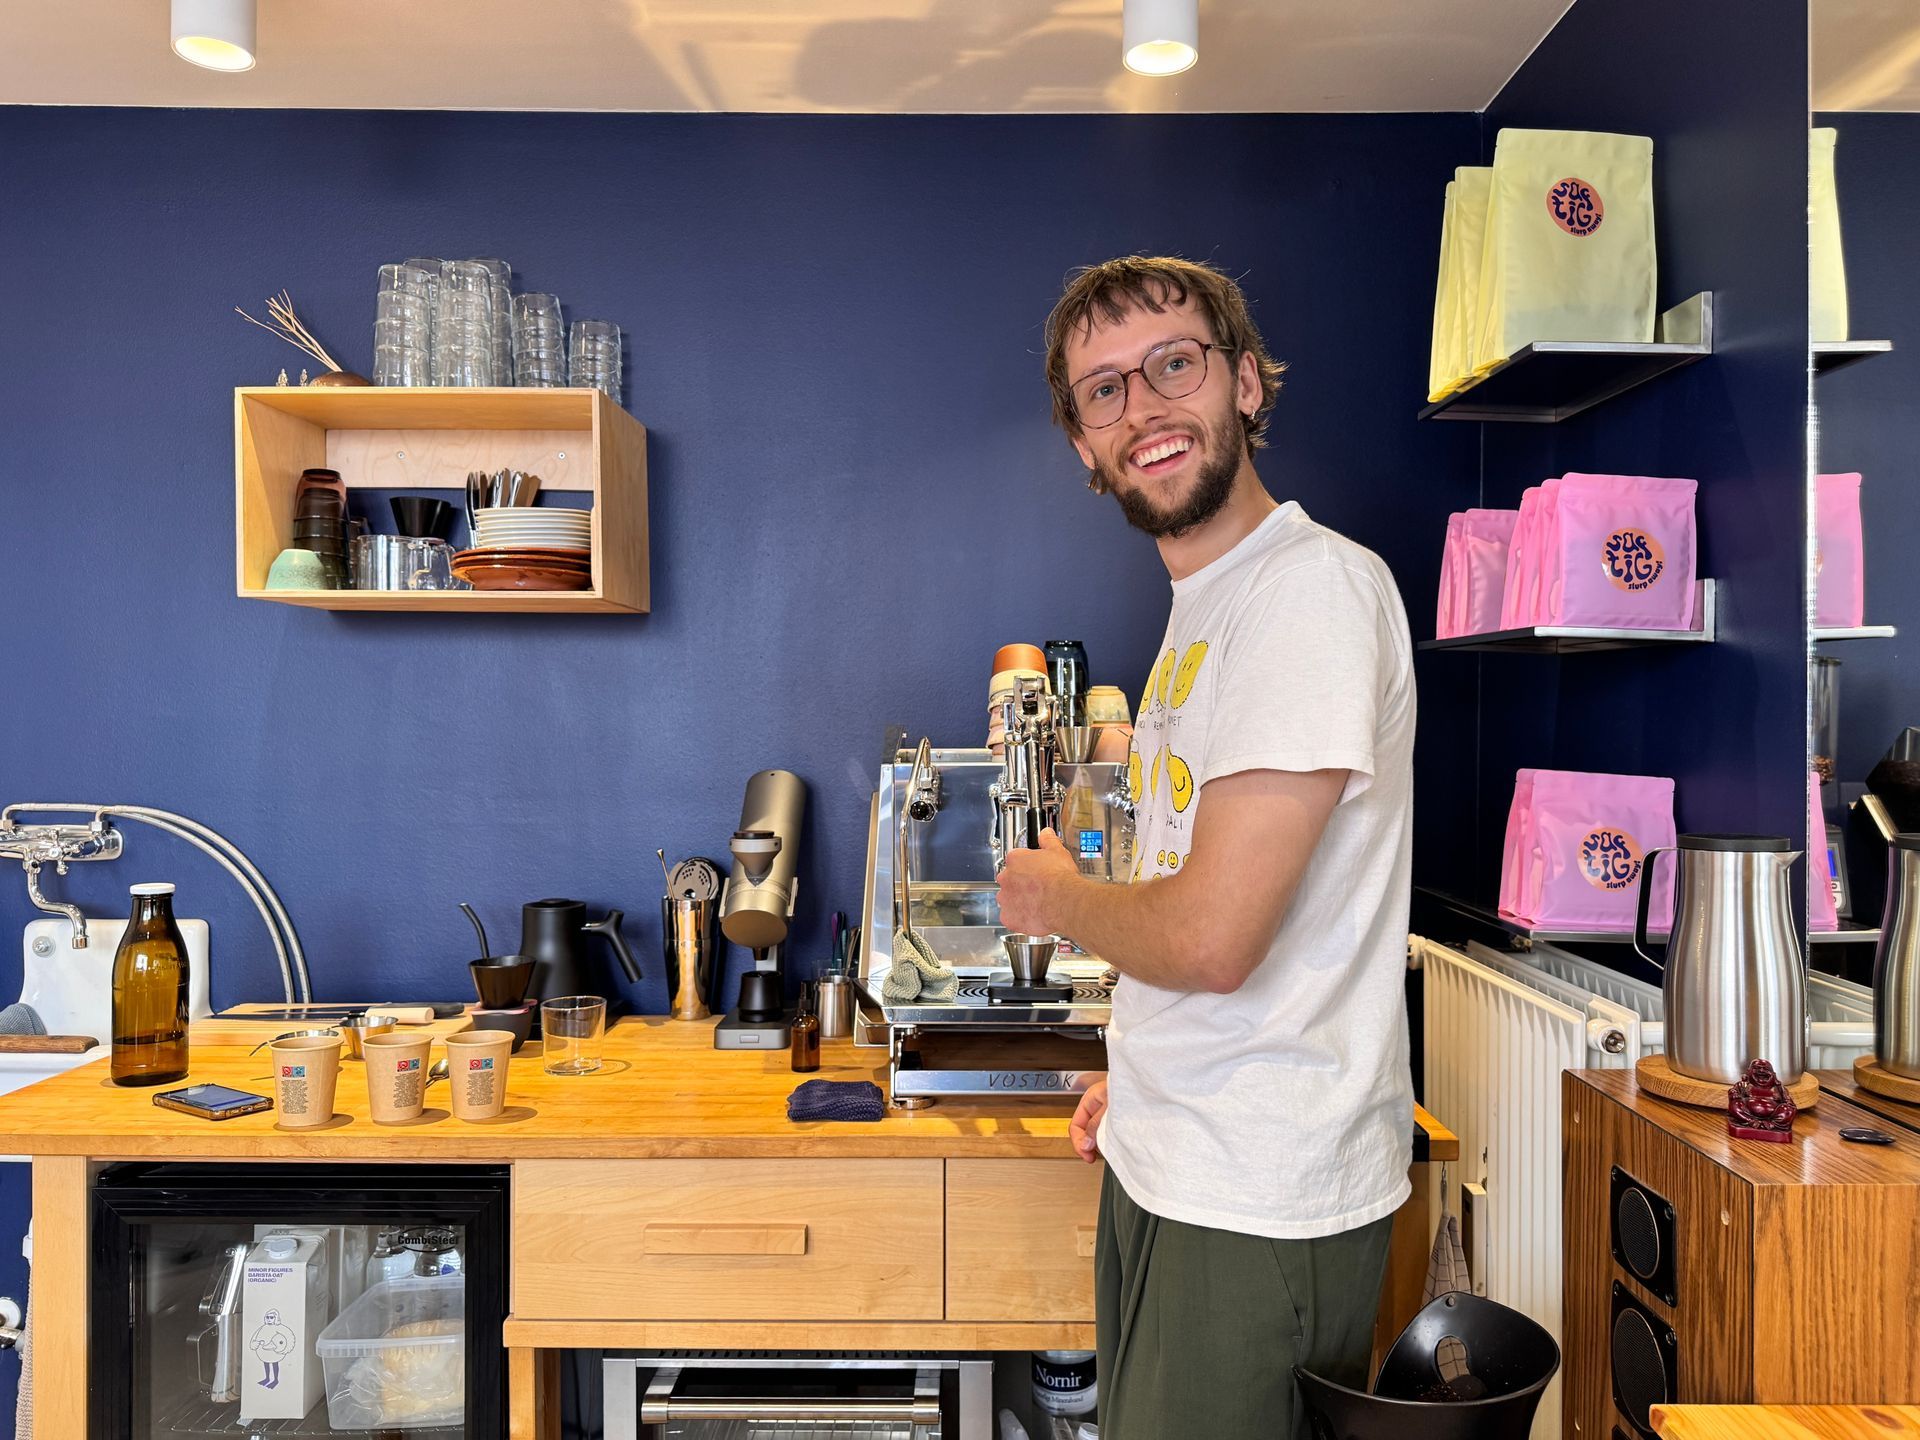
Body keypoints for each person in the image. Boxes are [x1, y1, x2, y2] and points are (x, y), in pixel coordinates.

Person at [996, 255, 1416, 1440]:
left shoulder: (1308, 595)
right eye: (1105, 391)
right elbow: (1204, 899)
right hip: (1186, 1162)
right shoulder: (1208, 608)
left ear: (1244, 382)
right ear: (1084, 445)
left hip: (1260, 1192)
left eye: (1172, 365)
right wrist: (1144, 1081)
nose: (1143, 409)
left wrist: (1054, 893)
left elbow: (1213, 937)